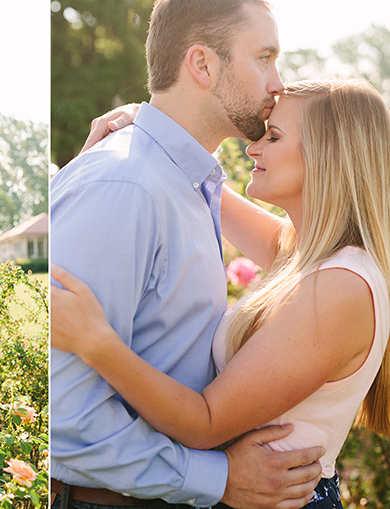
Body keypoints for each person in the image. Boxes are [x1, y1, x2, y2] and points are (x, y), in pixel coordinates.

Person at [52, 78, 390, 509]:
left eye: (274, 136)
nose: (253, 148)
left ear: (328, 154)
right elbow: (210, 189)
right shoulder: (308, 255)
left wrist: (96, 342)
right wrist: (152, 126)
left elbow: (205, 423)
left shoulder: (340, 286)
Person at [50, 0, 325, 508]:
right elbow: (64, 417)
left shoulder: (186, 183)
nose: (278, 82)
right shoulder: (124, 185)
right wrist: (215, 478)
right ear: (202, 64)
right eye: (264, 57)